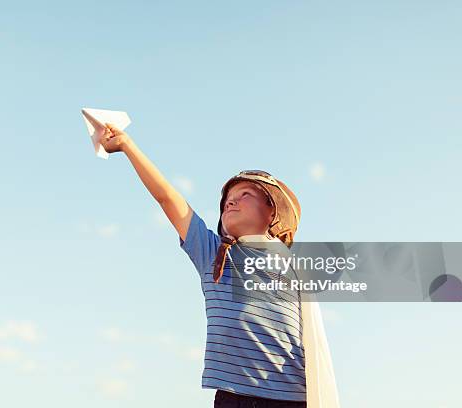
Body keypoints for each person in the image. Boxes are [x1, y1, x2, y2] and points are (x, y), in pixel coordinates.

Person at [98, 123, 339, 408]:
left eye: (245, 195)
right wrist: (127, 145)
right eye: (227, 200)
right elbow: (167, 198)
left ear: (272, 209)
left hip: (290, 396)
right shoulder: (214, 254)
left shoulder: (295, 267)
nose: (231, 202)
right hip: (232, 397)